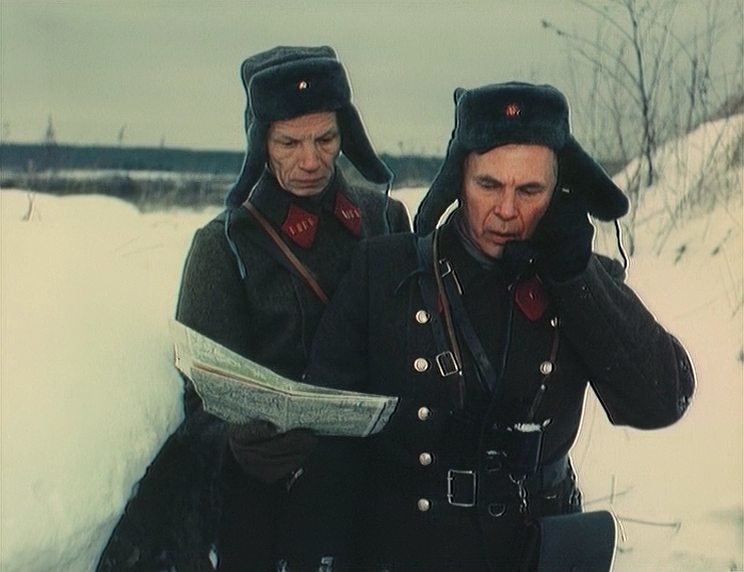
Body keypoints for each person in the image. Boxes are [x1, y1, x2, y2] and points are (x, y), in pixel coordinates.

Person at [305, 82, 695, 571]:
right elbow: (325, 433)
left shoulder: (581, 282)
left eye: (530, 190)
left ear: (559, 191)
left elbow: (663, 400)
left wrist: (576, 277)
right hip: (409, 548)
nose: (507, 210)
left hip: (533, 548)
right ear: (459, 180)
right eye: (488, 185)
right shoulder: (383, 270)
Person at [96, 46, 409, 572]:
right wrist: (238, 442)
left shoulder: (386, 220)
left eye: (325, 139)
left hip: (379, 491)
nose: (310, 160)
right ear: (259, 141)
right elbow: (203, 397)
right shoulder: (224, 247)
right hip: (276, 505)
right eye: (288, 142)